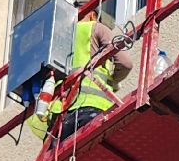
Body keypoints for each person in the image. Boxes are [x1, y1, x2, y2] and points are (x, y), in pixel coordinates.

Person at [27, 17, 132, 146]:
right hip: (91, 110)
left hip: (60, 119)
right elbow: (126, 64)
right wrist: (113, 81)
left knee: (59, 156)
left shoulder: (56, 39)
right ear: (92, 15)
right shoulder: (95, 27)